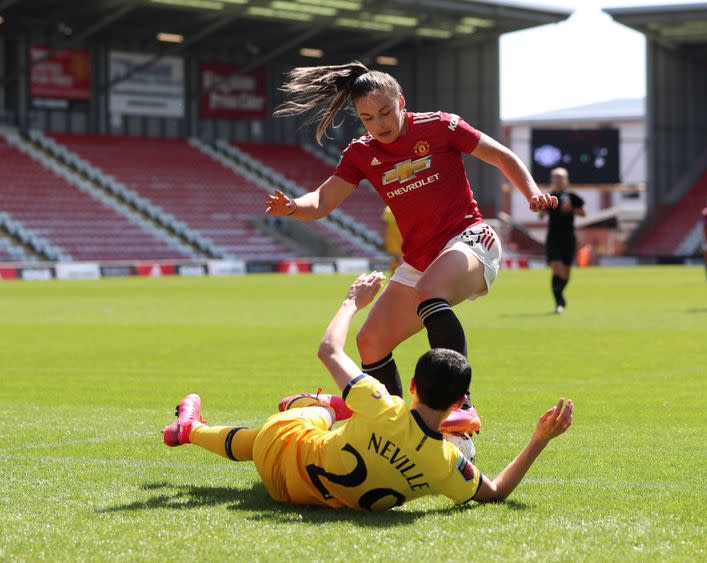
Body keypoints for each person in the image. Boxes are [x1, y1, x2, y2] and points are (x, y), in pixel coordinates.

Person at [265, 62, 556, 433]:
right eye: (368, 118)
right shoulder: (360, 154)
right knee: (370, 342)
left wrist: (531, 193)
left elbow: (502, 155)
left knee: (429, 291)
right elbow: (322, 201)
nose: (380, 124)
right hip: (420, 259)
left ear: (401, 101)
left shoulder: (440, 126)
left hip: (469, 238)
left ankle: (460, 403)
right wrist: (293, 206)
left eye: (386, 112)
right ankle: (397, 427)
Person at [161, 273, 573, 511]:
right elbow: (496, 491)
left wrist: (351, 301)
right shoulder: (446, 463)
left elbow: (328, 350)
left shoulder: (383, 406)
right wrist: (540, 438)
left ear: (411, 386)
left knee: (318, 411)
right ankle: (301, 407)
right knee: (321, 417)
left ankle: (203, 427)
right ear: (458, 403)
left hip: (282, 451)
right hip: (296, 496)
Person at [538, 168, 585, 314]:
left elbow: (583, 213)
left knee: (565, 273)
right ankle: (559, 302)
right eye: (555, 178)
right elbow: (541, 216)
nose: (557, 180)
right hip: (553, 237)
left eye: (560, 178)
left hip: (569, 237)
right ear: (551, 180)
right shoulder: (549, 197)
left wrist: (572, 209)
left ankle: (560, 295)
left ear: (566, 180)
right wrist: (542, 209)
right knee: (556, 268)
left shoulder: (572, 196)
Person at [382, 205, 403, 274]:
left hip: (404, 239)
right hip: (393, 240)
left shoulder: (407, 208)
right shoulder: (388, 210)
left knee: (399, 261)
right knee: (398, 259)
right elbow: (385, 226)